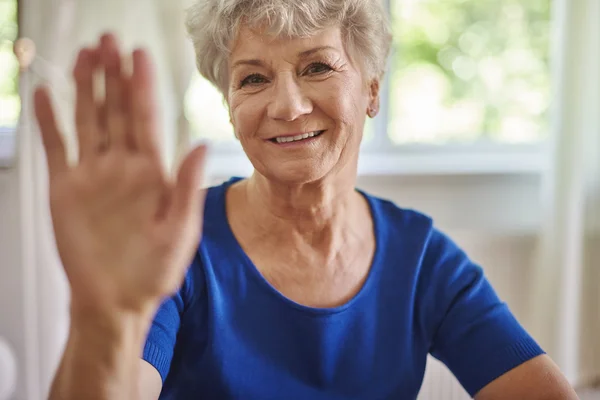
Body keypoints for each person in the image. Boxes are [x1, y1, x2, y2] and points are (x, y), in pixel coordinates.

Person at [36, 0, 578, 399]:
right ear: (229, 106)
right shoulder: (177, 243)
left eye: (317, 67)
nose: (288, 106)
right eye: (253, 78)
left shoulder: (423, 260)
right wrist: (101, 317)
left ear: (371, 89)